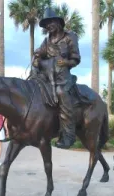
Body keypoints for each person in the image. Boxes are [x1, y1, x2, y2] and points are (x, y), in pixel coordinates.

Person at [31, 8, 81, 149]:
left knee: (60, 93)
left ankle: (68, 136)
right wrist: (36, 59)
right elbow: (38, 53)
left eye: (50, 22)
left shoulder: (70, 37)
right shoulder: (47, 41)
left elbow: (76, 59)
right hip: (47, 74)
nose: (48, 26)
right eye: (46, 24)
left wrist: (66, 63)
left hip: (62, 76)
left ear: (58, 22)